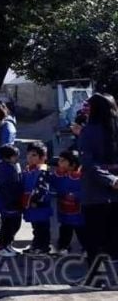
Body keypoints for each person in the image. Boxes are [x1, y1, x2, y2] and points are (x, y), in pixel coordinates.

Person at [78, 93, 118, 268]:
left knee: (96, 239)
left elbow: (88, 162)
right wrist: (113, 180)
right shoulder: (93, 130)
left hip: (96, 193)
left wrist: (112, 180)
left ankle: (97, 276)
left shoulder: (89, 131)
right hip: (102, 192)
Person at [49, 149, 84, 255]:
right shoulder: (59, 175)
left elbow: (86, 191)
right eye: (59, 160)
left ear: (72, 164)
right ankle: (64, 246)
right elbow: (51, 184)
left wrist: (75, 195)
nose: (59, 163)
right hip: (64, 209)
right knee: (65, 229)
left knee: (81, 230)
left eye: (63, 160)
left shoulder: (80, 177)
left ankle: (86, 247)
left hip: (78, 211)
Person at [21, 142, 53, 255]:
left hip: (40, 204)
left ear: (43, 157)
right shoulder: (28, 170)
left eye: (34, 155)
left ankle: (43, 247)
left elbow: (43, 187)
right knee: (35, 227)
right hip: (29, 202)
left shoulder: (43, 170)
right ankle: (36, 244)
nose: (30, 157)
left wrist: (36, 200)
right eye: (28, 154)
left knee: (42, 227)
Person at [0, 145, 23, 257]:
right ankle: (3, 246)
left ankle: (8, 245)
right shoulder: (5, 169)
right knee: (9, 225)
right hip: (9, 202)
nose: (17, 158)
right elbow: (7, 187)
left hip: (12, 201)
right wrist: (13, 200)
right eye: (15, 156)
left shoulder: (10, 166)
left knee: (14, 224)